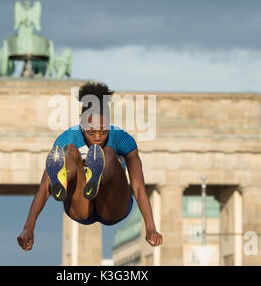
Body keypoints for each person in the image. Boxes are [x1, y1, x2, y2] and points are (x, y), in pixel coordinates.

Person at [17, 82, 162, 253]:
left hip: (113, 206)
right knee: (70, 151)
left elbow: (138, 188)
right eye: (91, 132)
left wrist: (150, 227)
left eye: (104, 131)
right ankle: (63, 179)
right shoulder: (69, 137)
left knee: (108, 151)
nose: (98, 137)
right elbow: (44, 189)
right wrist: (29, 227)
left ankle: (98, 176)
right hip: (82, 204)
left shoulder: (122, 139)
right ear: (82, 124)